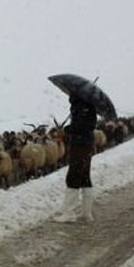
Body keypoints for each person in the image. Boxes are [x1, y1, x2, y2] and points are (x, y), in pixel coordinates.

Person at [53, 89, 97, 223]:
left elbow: (81, 127)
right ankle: (86, 213)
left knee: (73, 177)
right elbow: (86, 125)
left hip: (80, 146)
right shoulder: (88, 106)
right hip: (86, 145)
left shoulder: (82, 107)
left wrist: (66, 130)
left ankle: (69, 213)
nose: (69, 95)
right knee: (85, 178)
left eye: (71, 93)